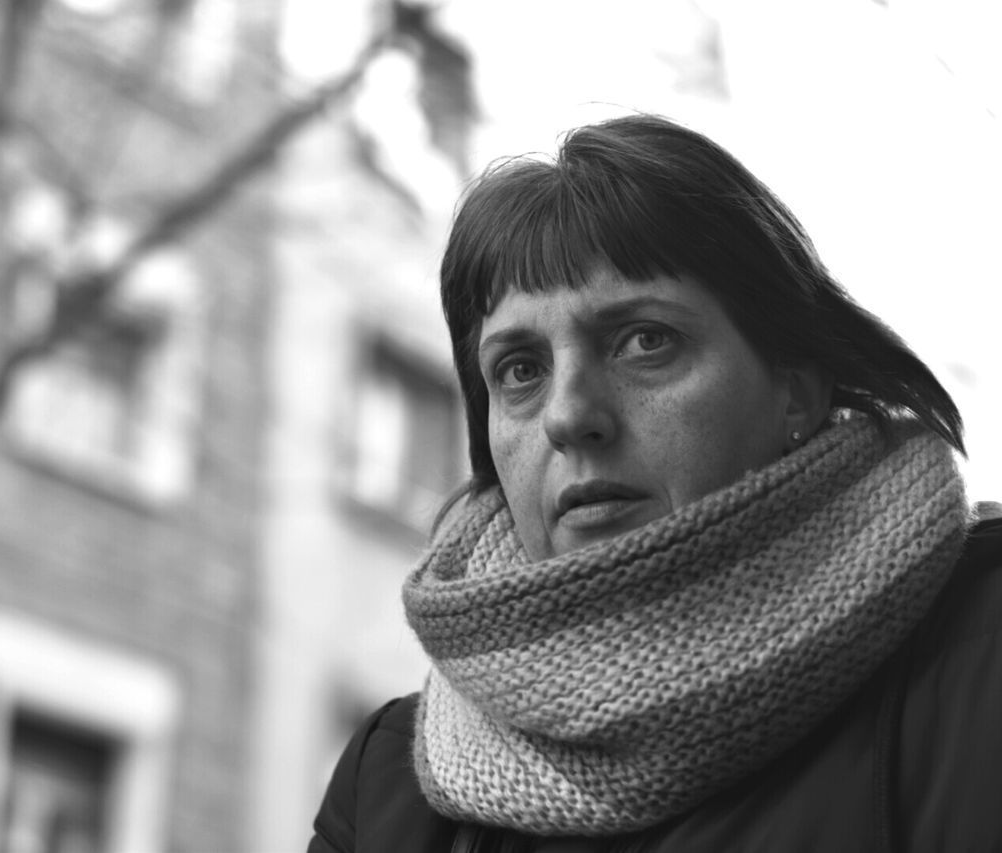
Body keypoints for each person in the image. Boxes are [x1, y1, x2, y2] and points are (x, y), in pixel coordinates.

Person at [306, 113, 1002, 853]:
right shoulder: (388, 794)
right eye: (520, 369)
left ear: (794, 391)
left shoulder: (978, 656)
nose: (570, 416)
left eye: (645, 341)